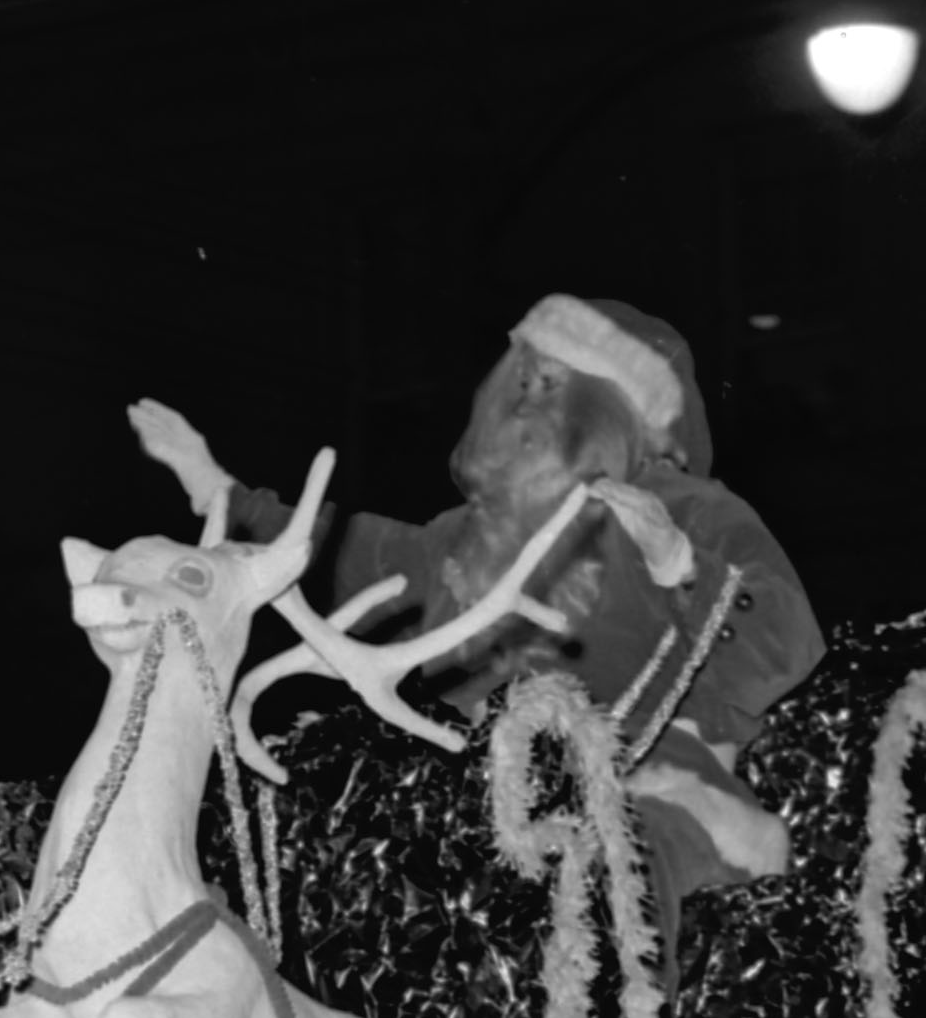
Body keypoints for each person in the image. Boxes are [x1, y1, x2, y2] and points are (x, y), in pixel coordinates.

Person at [135, 292, 820, 947]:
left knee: (621, 863)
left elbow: (785, 640)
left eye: (552, 382)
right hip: (479, 794)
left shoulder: (691, 507)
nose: (525, 398)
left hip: (650, 783)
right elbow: (346, 551)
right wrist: (219, 490)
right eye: (521, 380)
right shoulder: (469, 535)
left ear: (611, 407)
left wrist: (677, 562)